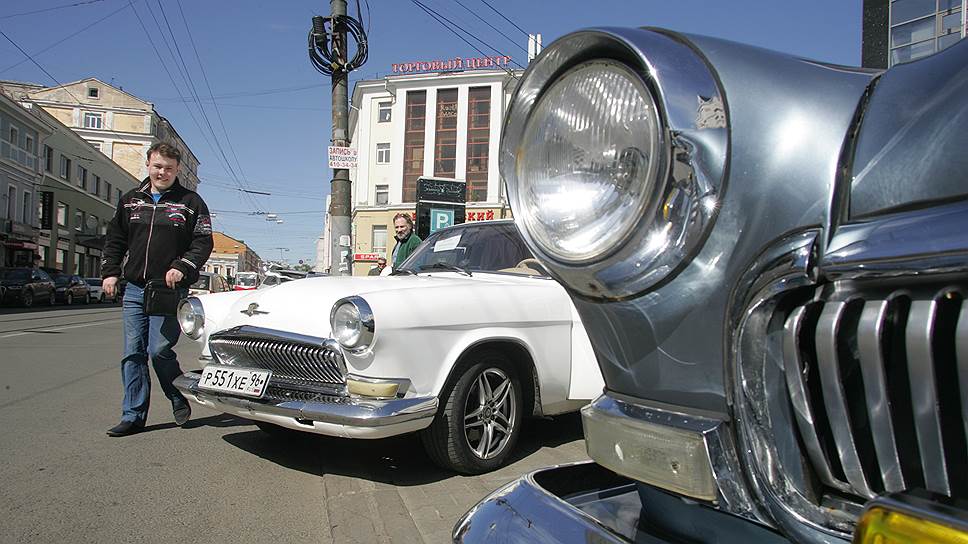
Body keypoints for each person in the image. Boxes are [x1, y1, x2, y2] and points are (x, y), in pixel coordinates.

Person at [101, 142, 214, 437]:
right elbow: (115, 240)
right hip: (136, 289)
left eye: (169, 168)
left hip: (168, 289)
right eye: (157, 166)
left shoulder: (191, 202)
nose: (162, 172)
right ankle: (133, 416)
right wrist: (110, 273)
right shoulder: (129, 201)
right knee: (133, 353)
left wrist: (182, 266)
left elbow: (202, 242)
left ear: (177, 170)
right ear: (148, 165)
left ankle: (177, 394)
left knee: (159, 350)